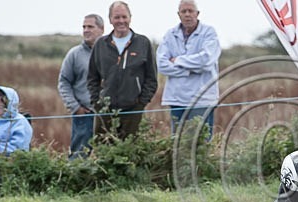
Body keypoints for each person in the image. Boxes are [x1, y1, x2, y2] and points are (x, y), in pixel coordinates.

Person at [87, 1, 158, 140]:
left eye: (124, 17)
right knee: (103, 152)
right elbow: (92, 78)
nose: (121, 21)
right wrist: (98, 103)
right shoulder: (101, 44)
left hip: (133, 110)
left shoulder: (143, 43)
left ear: (130, 17)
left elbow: (152, 78)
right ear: (110, 19)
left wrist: (140, 103)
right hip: (105, 111)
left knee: (130, 153)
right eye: (117, 17)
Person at [157, 0, 221, 137]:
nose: (187, 15)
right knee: (178, 142)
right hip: (176, 99)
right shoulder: (170, 34)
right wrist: (189, 69)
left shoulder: (209, 33)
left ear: (197, 13)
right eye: (183, 11)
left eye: (190, 11)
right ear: (178, 14)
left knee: (201, 142)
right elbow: (162, 65)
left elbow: (206, 60)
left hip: (202, 99)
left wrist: (178, 60)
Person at [58, 14, 105, 159]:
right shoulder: (74, 54)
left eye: (90, 27)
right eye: (84, 27)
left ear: (101, 29)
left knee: (108, 157)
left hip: (108, 115)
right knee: (78, 158)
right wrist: (75, 108)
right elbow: (63, 82)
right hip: (84, 115)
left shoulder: (111, 52)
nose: (86, 30)